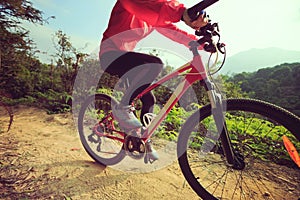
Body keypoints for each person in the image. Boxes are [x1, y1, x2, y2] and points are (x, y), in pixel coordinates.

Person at [99, 0, 208, 161]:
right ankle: (123, 108)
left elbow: (174, 32)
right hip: (110, 55)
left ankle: (140, 139)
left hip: (127, 57)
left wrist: (200, 43)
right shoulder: (131, 3)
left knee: (149, 98)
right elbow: (155, 7)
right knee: (154, 64)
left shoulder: (153, 16)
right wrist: (182, 13)